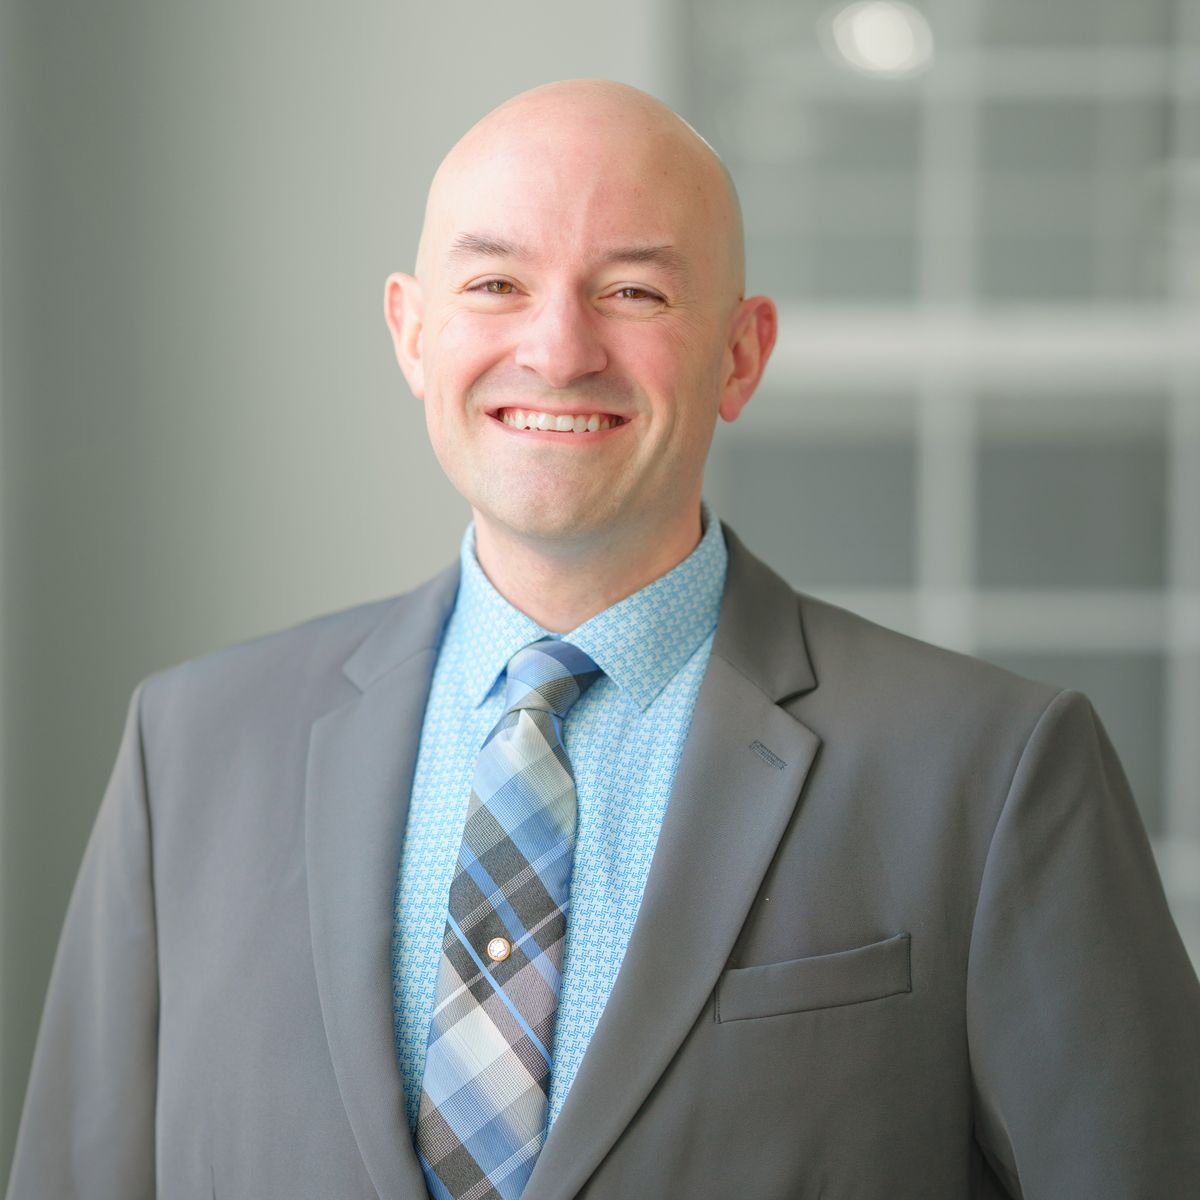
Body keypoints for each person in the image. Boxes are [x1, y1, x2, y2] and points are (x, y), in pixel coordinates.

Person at [7, 79, 1199, 1200]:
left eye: (634, 291)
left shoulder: (991, 771)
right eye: (495, 287)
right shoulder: (190, 751)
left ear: (741, 353)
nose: (560, 348)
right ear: (412, 334)